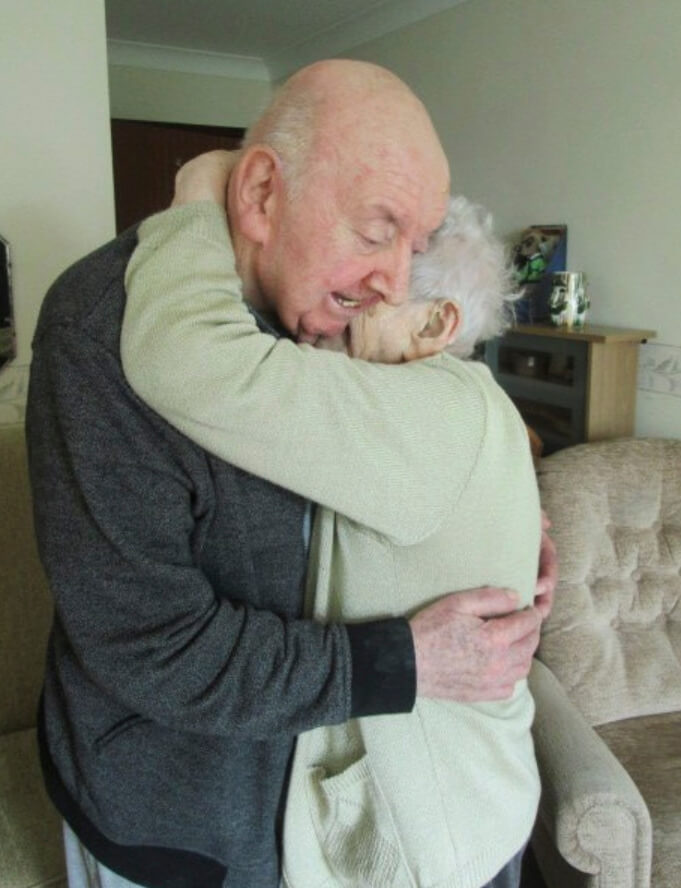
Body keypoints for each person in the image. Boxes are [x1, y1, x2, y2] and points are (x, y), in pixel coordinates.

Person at [25, 59, 554, 888]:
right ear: (263, 194)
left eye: (413, 250)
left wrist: (508, 538)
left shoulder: (334, 326)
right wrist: (400, 663)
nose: (390, 286)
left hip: (322, 815)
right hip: (174, 817)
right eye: (376, 232)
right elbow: (154, 645)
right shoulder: (101, 332)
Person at [122, 168, 543, 888]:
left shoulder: (416, 412)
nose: (329, 321)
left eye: (367, 301)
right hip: (474, 809)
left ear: (437, 324)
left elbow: (189, 357)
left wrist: (194, 204)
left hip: (428, 839)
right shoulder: (465, 401)